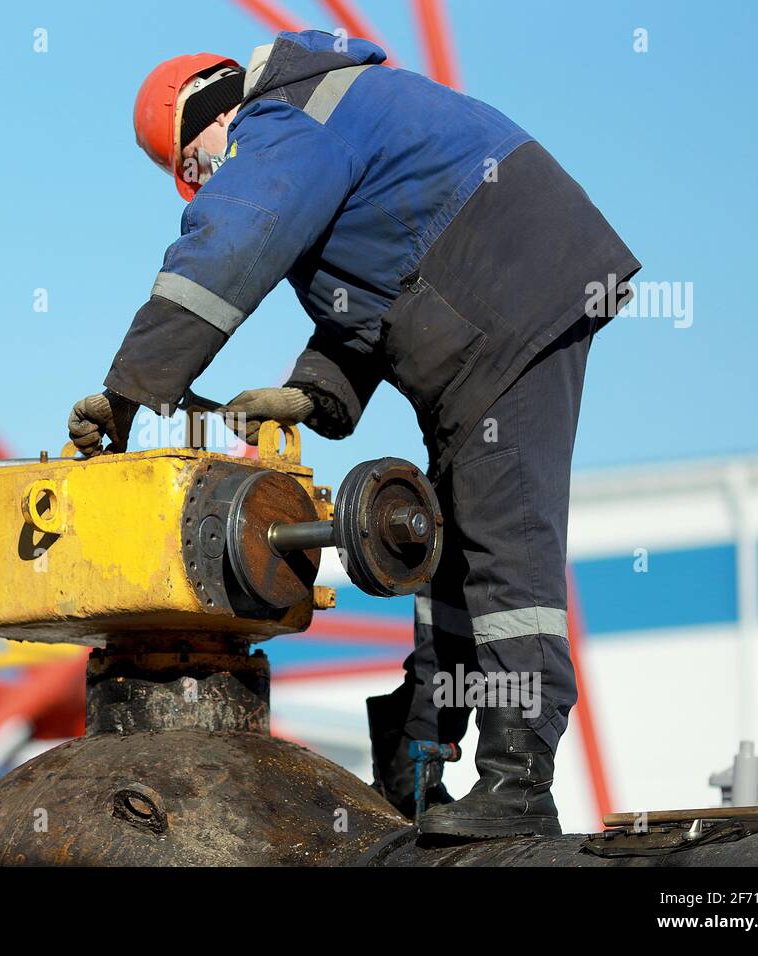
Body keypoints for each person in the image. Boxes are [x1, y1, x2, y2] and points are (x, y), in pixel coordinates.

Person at [67, 30, 639, 839]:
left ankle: (519, 782)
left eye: (194, 170)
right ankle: (417, 763)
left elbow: (227, 245)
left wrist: (132, 389)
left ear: (207, 118)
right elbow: (373, 293)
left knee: (505, 541)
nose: (203, 189)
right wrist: (311, 394)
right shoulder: (332, 121)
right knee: (455, 541)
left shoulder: (283, 118)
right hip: (491, 305)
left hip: (513, 296)